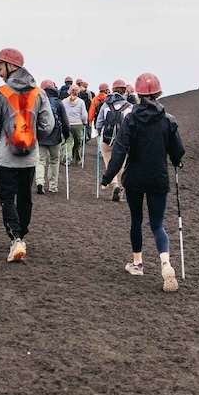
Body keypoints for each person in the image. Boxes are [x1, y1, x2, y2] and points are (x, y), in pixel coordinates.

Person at [100, 72, 185, 292]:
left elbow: (119, 150)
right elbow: (178, 151)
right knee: (157, 224)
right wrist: (176, 160)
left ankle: (137, 264)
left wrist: (108, 178)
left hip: (135, 178)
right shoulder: (168, 120)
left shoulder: (131, 119)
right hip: (159, 178)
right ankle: (165, 263)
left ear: (137, 94)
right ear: (158, 93)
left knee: (136, 220)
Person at [0, 48, 54, 262]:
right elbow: (48, 125)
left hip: (5, 158)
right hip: (30, 157)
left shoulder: (0, 93)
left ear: (11, 66)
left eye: (0, 67)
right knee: (25, 198)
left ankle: (16, 239)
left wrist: (1, 136)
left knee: (7, 199)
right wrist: (32, 138)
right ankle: (21, 235)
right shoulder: (39, 93)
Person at [94, 79, 133, 201]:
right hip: (123, 139)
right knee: (121, 163)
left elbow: (99, 123)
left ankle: (114, 183)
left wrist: (99, 131)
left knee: (109, 161)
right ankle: (121, 187)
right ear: (124, 90)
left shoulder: (106, 105)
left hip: (107, 138)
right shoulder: (129, 106)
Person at [35, 80, 70, 194]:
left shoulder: (38, 101)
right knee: (54, 161)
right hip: (55, 137)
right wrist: (66, 135)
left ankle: (40, 182)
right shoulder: (58, 102)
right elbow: (65, 121)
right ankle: (52, 186)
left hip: (41, 136)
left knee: (40, 160)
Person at [60, 84, 88, 165]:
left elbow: (62, 113)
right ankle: (77, 159)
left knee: (67, 141)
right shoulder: (81, 102)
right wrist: (85, 122)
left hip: (67, 124)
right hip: (78, 124)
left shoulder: (64, 101)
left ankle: (67, 158)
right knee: (78, 142)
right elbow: (84, 114)